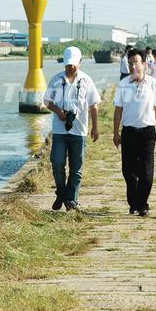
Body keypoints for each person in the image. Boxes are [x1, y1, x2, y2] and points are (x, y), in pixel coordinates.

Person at [43, 46, 101, 211]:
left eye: (74, 64)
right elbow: (47, 101)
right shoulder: (56, 80)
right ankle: (61, 192)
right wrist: (58, 112)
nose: (71, 67)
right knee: (57, 161)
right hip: (60, 130)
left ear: (80, 63)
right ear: (64, 64)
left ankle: (72, 199)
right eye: (68, 65)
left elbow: (94, 105)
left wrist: (95, 128)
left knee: (76, 168)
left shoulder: (86, 81)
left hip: (79, 130)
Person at [113, 49, 156, 216]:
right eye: (130, 63)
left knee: (147, 173)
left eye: (136, 62)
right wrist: (115, 132)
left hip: (148, 132)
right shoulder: (123, 84)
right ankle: (134, 203)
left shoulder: (153, 83)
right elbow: (118, 110)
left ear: (144, 64)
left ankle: (142, 204)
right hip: (128, 132)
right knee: (129, 171)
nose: (133, 65)